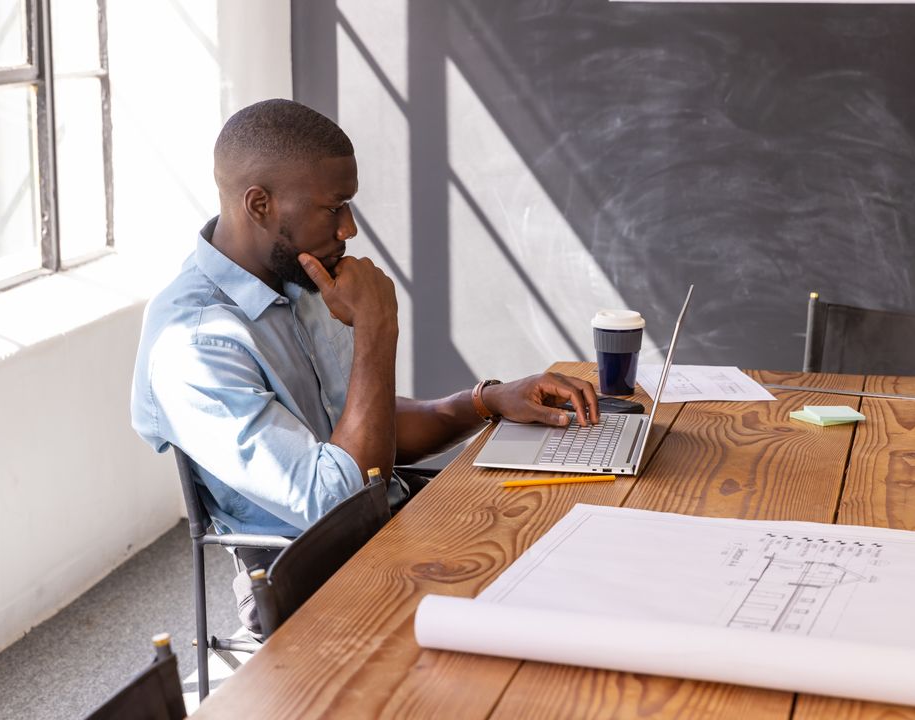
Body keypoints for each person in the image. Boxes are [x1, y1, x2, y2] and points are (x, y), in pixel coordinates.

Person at [130, 98, 598, 633]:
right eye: (334, 208)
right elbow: (340, 499)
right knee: (553, 609)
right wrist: (377, 327)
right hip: (314, 575)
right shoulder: (195, 345)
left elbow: (365, 430)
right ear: (259, 205)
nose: (349, 229)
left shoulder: (298, 280)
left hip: (390, 526)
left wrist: (485, 401)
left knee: (575, 547)